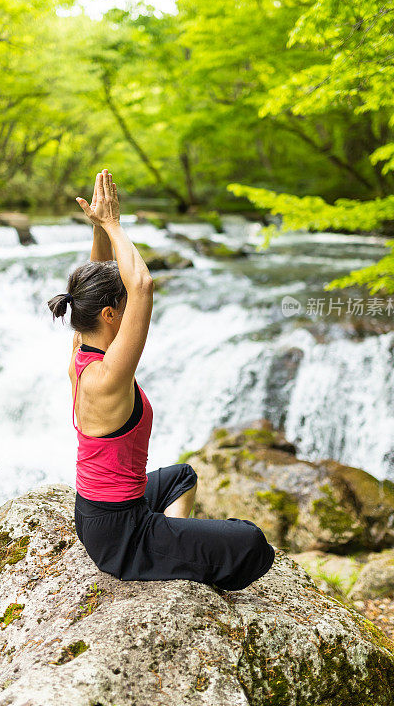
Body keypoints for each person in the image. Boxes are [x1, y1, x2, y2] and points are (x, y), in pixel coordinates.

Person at [48, 169, 275, 590]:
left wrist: (98, 229)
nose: (128, 306)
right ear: (110, 315)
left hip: (100, 512)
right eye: (122, 304)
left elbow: (94, 279)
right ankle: (164, 555)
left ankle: (170, 547)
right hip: (119, 536)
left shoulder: (81, 348)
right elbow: (144, 285)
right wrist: (115, 224)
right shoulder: (109, 376)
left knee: (182, 476)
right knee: (252, 543)